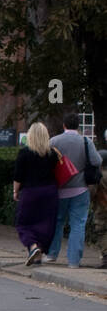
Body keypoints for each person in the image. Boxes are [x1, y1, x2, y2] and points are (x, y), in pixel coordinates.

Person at [48, 113, 102, 267]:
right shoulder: (86, 141)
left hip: (58, 189)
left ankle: (52, 254)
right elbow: (97, 160)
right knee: (78, 224)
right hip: (80, 188)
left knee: (57, 222)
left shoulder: (54, 141)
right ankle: (73, 261)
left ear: (64, 125)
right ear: (78, 126)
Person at [13, 121, 60, 266]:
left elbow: (18, 176)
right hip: (50, 192)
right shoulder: (53, 153)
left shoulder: (25, 153)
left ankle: (33, 246)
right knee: (46, 224)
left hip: (30, 192)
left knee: (23, 223)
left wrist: (15, 191)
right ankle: (39, 252)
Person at [85, 177, 107, 268]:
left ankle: (106, 258)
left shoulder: (100, 174)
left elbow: (92, 191)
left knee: (102, 231)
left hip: (102, 205)